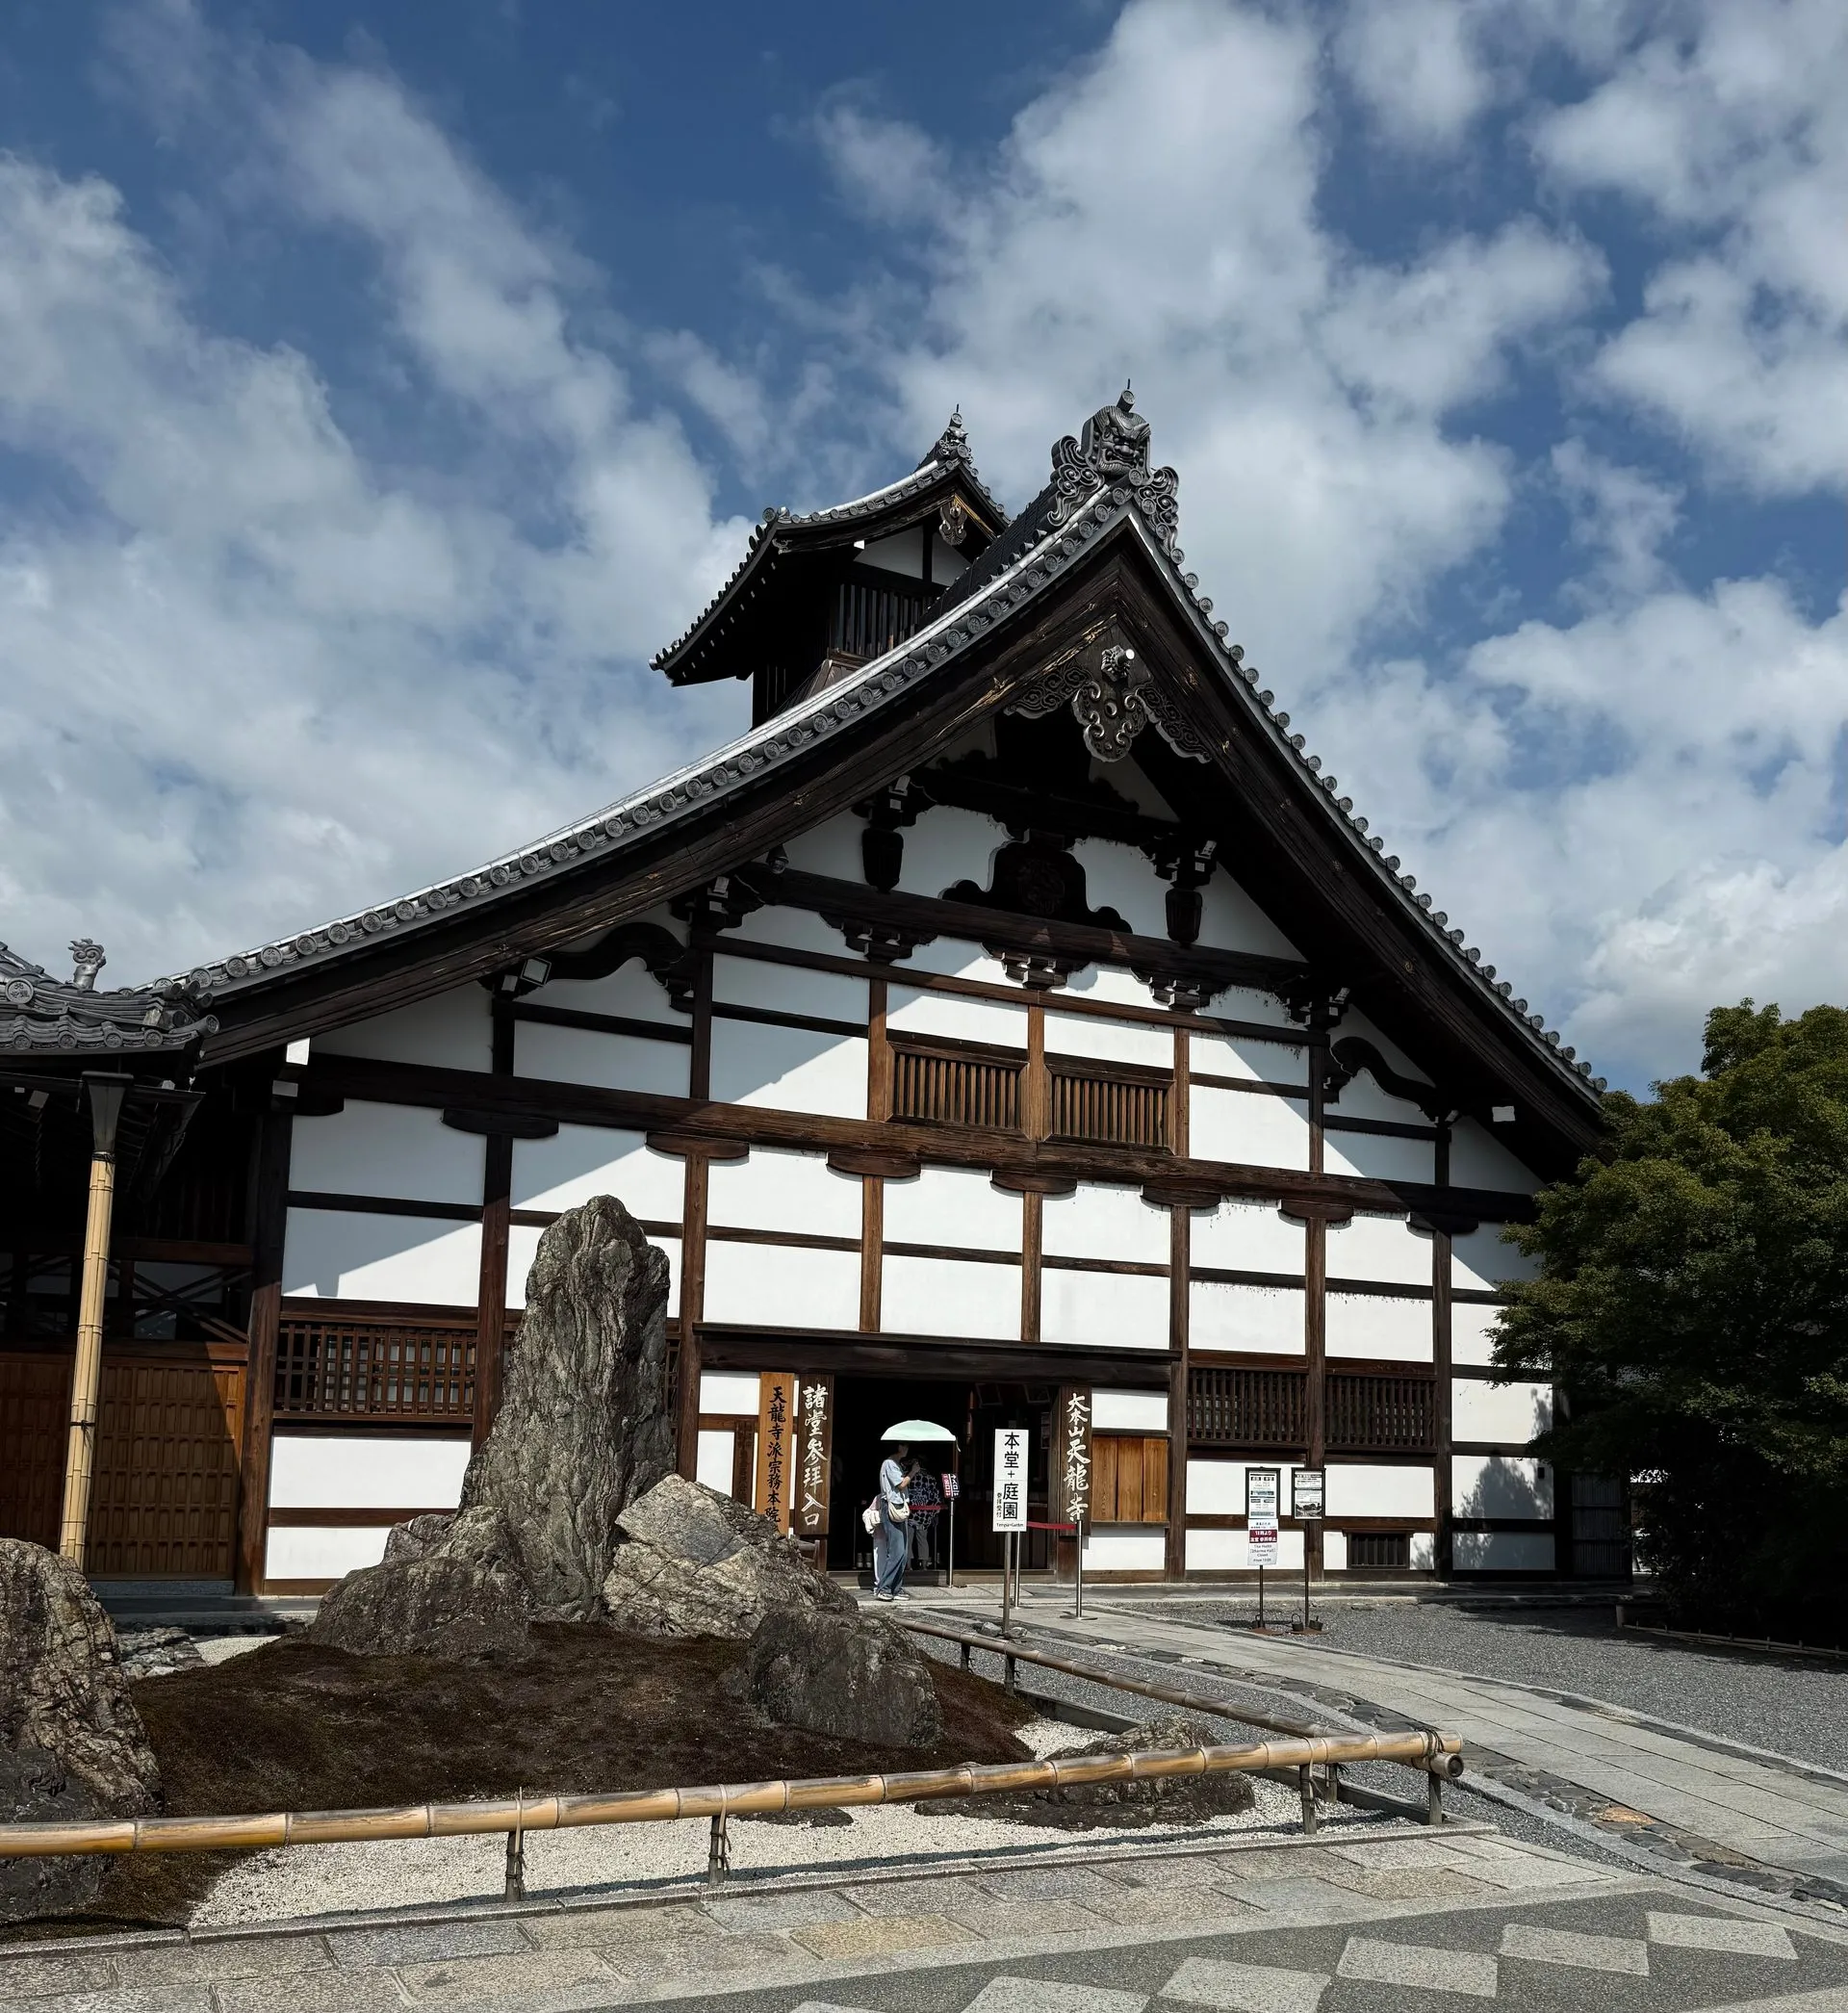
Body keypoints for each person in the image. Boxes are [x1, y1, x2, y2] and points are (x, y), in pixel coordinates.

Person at [873, 1440, 911, 1601]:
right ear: (898, 1447)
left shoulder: (896, 1464)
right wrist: (913, 1472)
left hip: (898, 1508)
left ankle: (895, 1588)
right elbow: (900, 1484)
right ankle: (885, 1588)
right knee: (896, 1550)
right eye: (905, 1445)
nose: (907, 1448)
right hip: (892, 1508)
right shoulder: (889, 1463)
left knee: (902, 1552)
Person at [906, 1458, 941, 1571]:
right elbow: (935, 1497)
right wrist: (935, 1514)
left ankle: (908, 1565)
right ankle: (924, 1565)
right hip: (925, 1515)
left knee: (908, 1539)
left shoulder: (909, 1477)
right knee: (923, 1539)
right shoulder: (931, 1479)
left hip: (910, 1514)